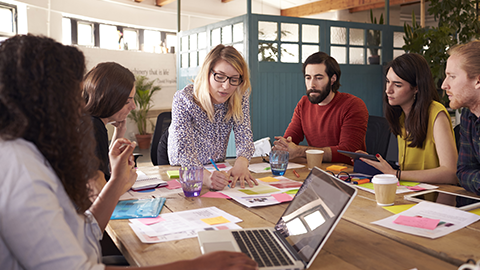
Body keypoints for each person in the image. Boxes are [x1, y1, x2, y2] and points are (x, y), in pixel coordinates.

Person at [0, 34, 258, 270]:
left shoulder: (31, 154)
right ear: (41, 101)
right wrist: (197, 266)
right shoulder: (19, 170)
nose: (82, 104)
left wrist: (115, 183)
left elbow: (86, 232)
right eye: (74, 94)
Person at [168, 44, 257, 190]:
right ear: (207, 73)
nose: (226, 86)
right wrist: (205, 178)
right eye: (220, 77)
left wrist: (242, 161)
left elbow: (244, 133)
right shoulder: (184, 98)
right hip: (184, 170)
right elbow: (183, 150)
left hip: (216, 167)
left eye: (234, 79)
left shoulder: (239, 96)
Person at [360, 53, 458, 184]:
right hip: (409, 193)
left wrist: (396, 174)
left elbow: (451, 173)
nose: (388, 90)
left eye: (397, 85)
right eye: (388, 81)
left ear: (416, 88)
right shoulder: (400, 115)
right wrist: (376, 163)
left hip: (433, 198)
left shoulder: (436, 113)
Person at [273, 51, 369, 165]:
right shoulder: (303, 104)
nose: (312, 84)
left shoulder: (353, 105)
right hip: (316, 169)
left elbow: (347, 152)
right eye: (308, 78)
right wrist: (283, 146)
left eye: (318, 78)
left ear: (332, 79)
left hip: (347, 174)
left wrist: (299, 151)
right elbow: (289, 140)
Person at [83, 62, 136, 182]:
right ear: (108, 100)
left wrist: (119, 131)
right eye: (127, 101)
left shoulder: (88, 121)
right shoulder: (93, 128)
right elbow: (100, 193)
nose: (133, 106)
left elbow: (105, 168)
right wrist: (126, 180)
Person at [442, 40, 480, 194]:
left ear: (478, 81)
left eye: (452, 76)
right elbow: (463, 171)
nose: (444, 85)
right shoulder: (467, 115)